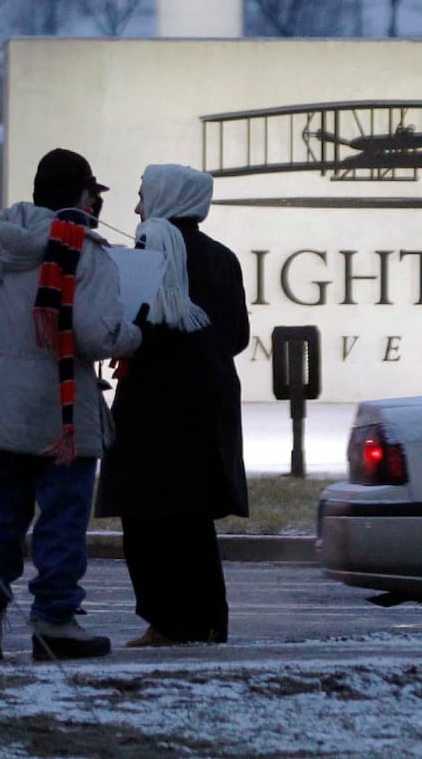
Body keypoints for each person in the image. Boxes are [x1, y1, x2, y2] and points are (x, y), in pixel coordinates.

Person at [0, 148, 142, 662]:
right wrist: (135, 334)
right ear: (83, 197)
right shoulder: (84, 250)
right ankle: (54, 621)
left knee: (2, 520)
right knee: (60, 521)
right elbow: (96, 334)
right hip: (62, 412)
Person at [95, 163, 250, 647]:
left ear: (165, 199)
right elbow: (238, 337)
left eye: (143, 196)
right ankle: (207, 620)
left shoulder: (150, 253)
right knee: (192, 520)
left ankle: (166, 621)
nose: (137, 207)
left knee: (146, 520)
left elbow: (134, 329)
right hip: (208, 404)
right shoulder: (222, 258)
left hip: (154, 406)